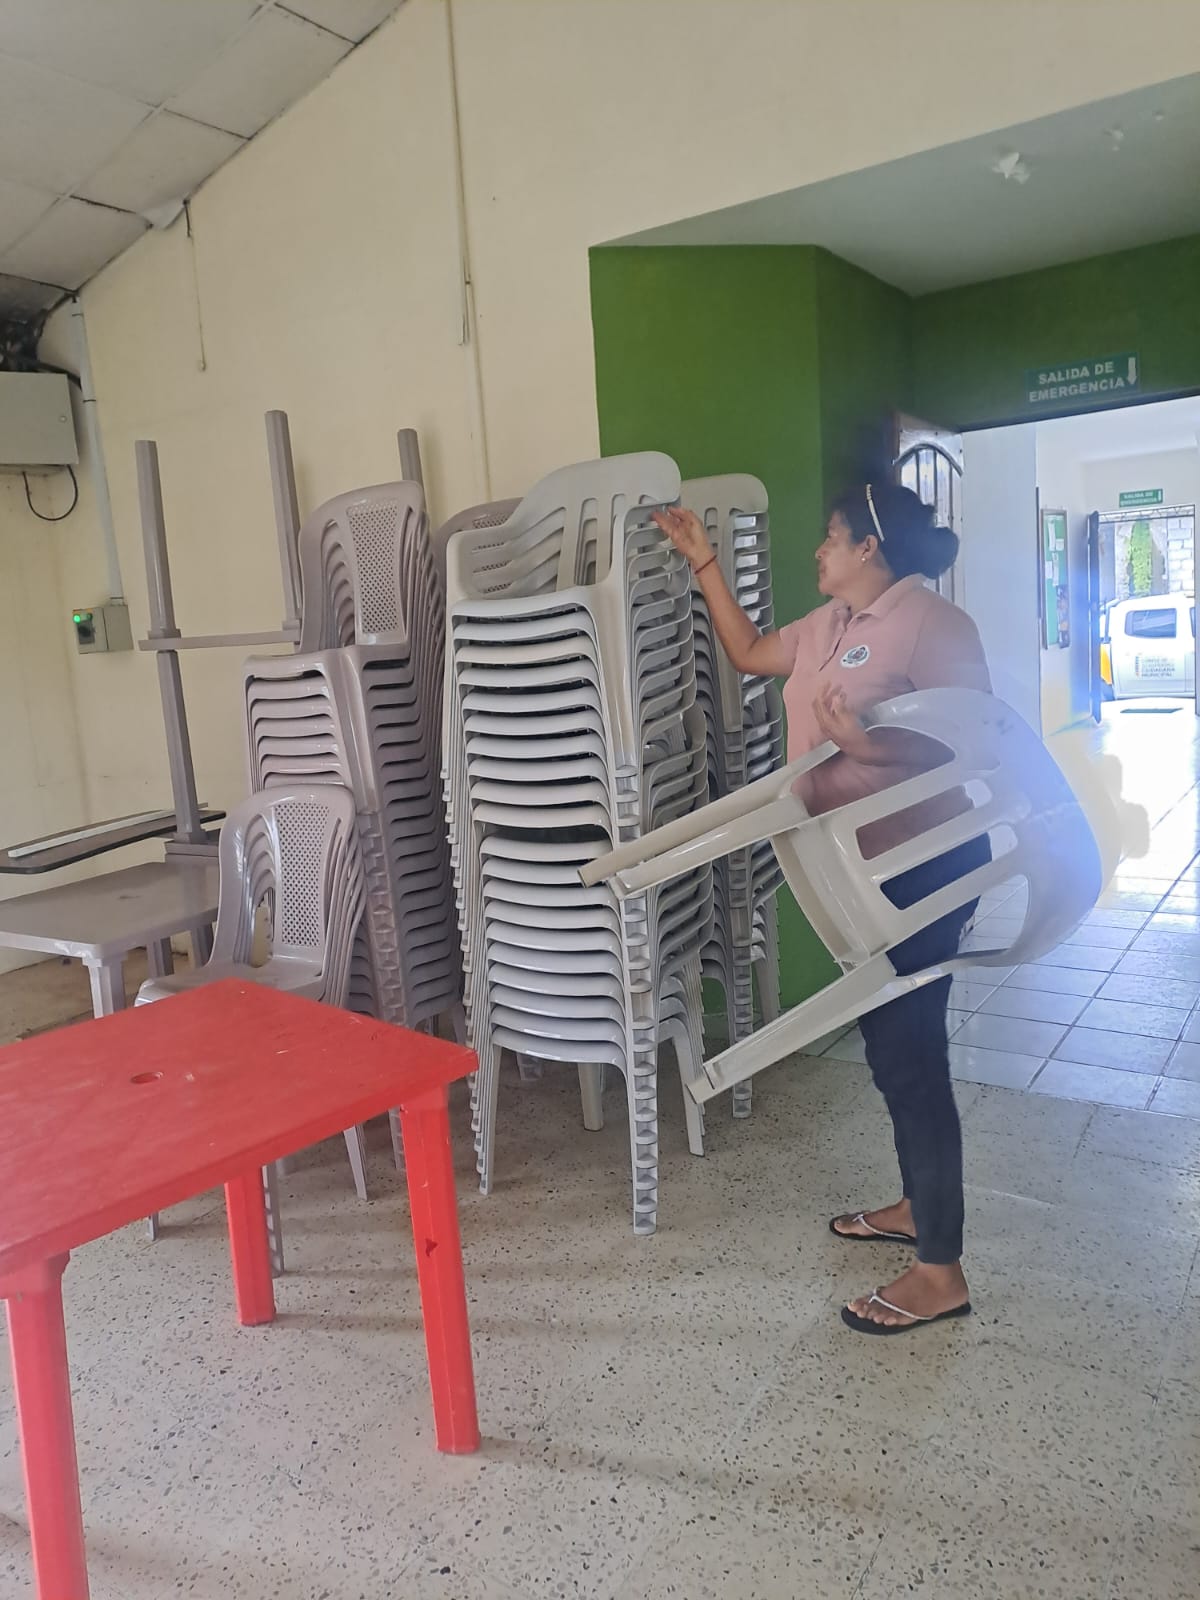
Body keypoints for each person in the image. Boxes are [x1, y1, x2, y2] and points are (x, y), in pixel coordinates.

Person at [652, 483, 991, 1336]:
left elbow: (972, 742)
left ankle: (941, 1272)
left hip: (924, 865)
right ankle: (916, 1207)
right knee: (890, 1047)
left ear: (869, 546)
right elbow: (747, 652)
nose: (819, 552)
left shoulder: (935, 625)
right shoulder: (826, 625)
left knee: (911, 1053)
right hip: (852, 869)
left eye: (831, 539)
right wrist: (703, 561)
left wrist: (866, 746)